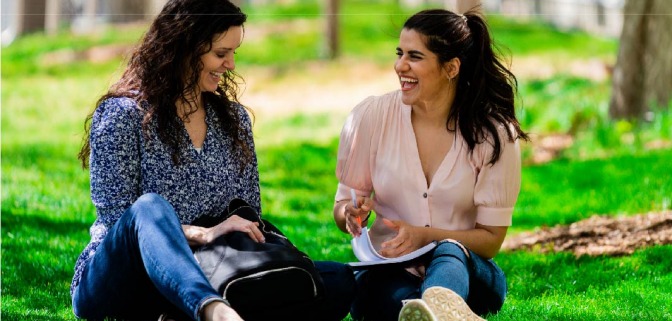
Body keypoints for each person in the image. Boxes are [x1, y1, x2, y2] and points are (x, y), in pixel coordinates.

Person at [70, 1, 355, 320]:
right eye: (221, 54)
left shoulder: (232, 120)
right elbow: (117, 221)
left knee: (337, 280)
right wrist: (202, 233)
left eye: (234, 53)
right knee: (149, 207)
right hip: (123, 277)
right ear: (183, 49)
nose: (231, 65)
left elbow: (247, 213)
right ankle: (212, 310)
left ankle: (184, 311)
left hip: (211, 267)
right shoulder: (123, 116)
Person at [332, 8, 528, 321]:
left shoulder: (494, 135)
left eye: (415, 56)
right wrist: (349, 214)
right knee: (370, 296)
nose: (400, 66)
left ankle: (441, 306)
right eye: (399, 53)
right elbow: (344, 206)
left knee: (448, 250)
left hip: (469, 273)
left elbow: (491, 240)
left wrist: (426, 237)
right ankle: (433, 314)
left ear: (451, 68)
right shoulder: (371, 117)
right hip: (392, 268)